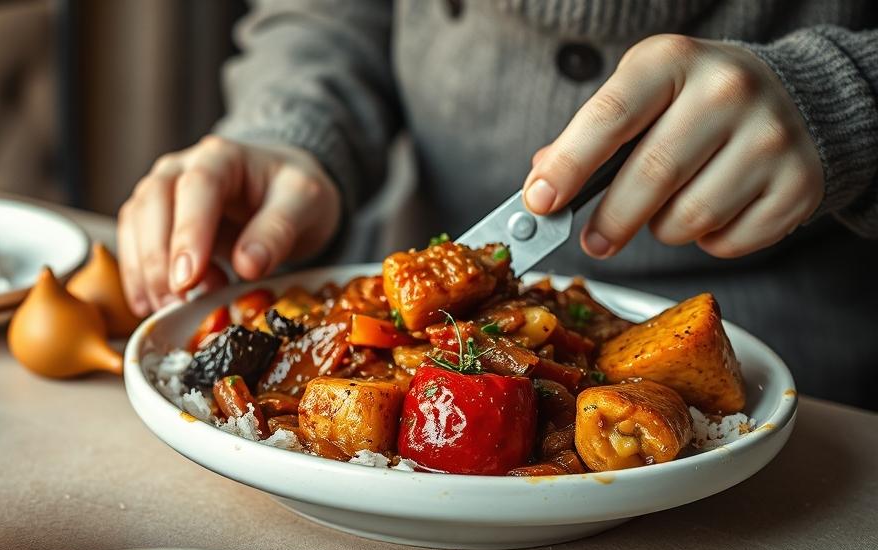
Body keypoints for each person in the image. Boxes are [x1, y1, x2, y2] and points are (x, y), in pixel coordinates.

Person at [116, 1, 877, 409]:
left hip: (818, 397)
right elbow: (329, 16)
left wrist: (847, 97)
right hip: (400, 283)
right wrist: (293, 133)